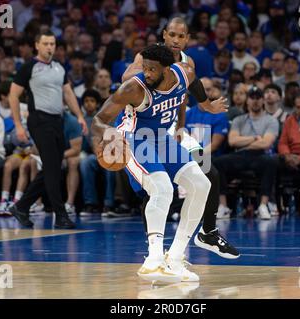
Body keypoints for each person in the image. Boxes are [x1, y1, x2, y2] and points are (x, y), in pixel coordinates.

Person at [92, 44, 228, 283]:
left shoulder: (184, 73)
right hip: (135, 139)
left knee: (201, 185)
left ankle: (175, 258)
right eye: (144, 68)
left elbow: (193, 85)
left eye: (152, 70)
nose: (147, 73)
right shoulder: (133, 88)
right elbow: (98, 119)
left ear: (167, 69)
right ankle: (153, 259)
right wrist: (110, 134)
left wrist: (206, 105)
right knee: (163, 189)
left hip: (163, 139)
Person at [123, 18, 239, 260]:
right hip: (145, 131)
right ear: (164, 35)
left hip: (174, 130)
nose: (176, 40)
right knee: (154, 190)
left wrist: (193, 118)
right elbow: (127, 77)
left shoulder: (188, 63)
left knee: (210, 172)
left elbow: (184, 99)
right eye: (172, 35)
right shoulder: (148, 58)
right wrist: (144, 72)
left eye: (181, 36)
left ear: (187, 40)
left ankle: (209, 232)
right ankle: (154, 248)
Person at [8, 30, 88, 229]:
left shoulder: (59, 68)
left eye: (52, 44)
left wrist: (79, 115)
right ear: (37, 45)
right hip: (39, 120)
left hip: (57, 120)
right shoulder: (29, 67)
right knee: (52, 167)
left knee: (53, 168)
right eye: (46, 44)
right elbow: (13, 95)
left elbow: (68, 94)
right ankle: (60, 216)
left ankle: (21, 206)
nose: (50, 47)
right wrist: (18, 125)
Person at [213, 86, 279, 220]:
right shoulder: (239, 120)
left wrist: (243, 141)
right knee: (217, 162)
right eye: (252, 98)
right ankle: (223, 206)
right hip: (240, 155)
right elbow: (232, 141)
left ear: (262, 101)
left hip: (259, 155)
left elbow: (266, 143)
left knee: (272, 162)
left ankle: (263, 205)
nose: (255, 101)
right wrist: (255, 138)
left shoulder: (271, 120)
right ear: (247, 101)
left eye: (258, 98)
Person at [79, 89, 116, 216]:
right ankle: (90, 203)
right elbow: (83, 146)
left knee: (110, 164)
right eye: (86, 101)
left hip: (109, 153)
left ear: (98, 104)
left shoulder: (105, 118)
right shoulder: (82, 121)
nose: (89, 104)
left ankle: (109, 204)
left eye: (92, 101)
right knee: (86, 162)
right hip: (93, 155)